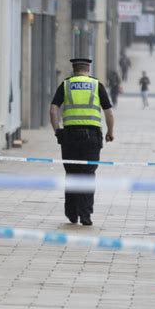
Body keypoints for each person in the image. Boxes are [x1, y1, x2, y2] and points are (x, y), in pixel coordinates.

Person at [50, 58, 114, 226]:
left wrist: (57, 130)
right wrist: (110, 132)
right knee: (87, 175)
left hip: (69, 137)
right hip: (91, 138)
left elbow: (53, 109)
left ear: (74, 69)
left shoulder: (66, 85)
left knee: (71, 174)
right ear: (88, 69)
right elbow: (109, 112)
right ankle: (85, 214)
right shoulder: (96, 85)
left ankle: (71, 213)